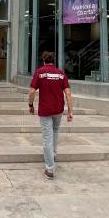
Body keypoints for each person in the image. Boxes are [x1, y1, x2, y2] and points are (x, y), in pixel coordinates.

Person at [28, 51, 74, 180]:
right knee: (55, 132)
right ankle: (52, 155)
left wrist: (30, 105)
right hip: (58, 109)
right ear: (54, 60)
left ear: (43, 60)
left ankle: (49, 169)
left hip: (45, 110)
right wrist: (70, 111)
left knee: (47, 137)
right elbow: (68, 93)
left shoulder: (39, 72)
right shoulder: (61, 73)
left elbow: (32, 91)